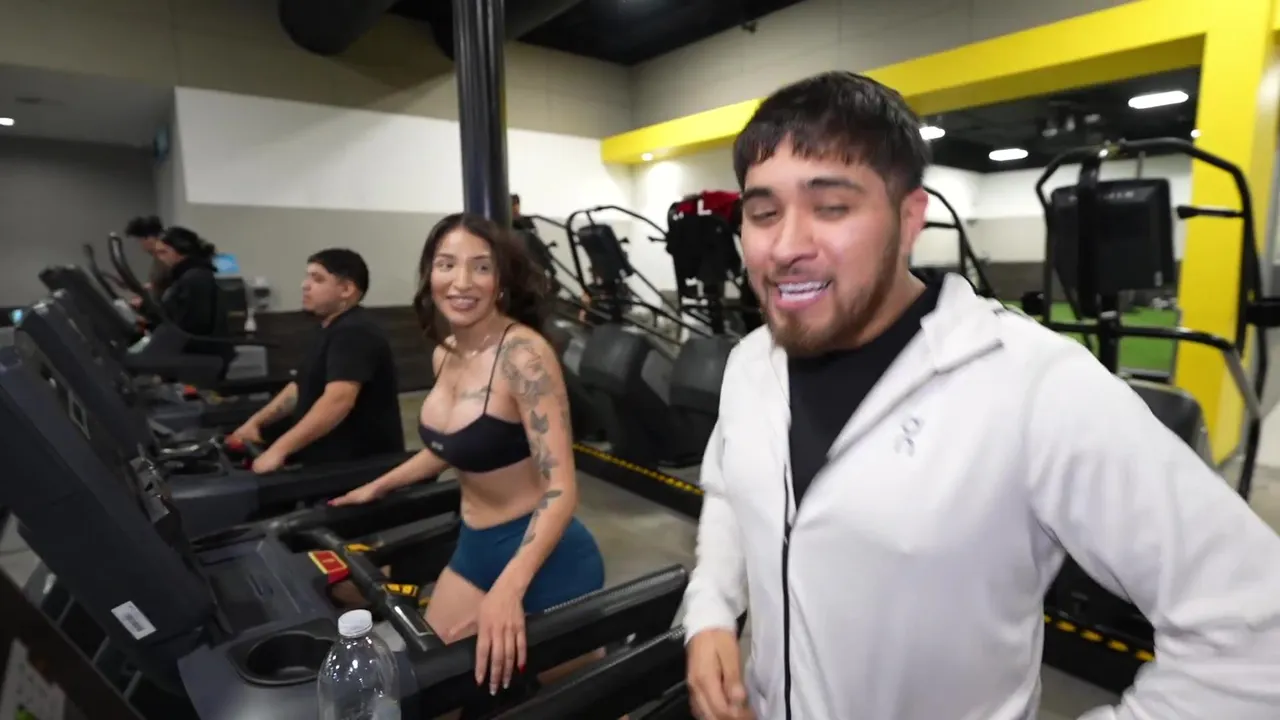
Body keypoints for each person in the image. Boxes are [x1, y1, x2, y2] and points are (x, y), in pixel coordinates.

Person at [683, 71, 1280, 720]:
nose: (786, 246)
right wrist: (712, 610)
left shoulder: (1035, 386)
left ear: (909, 218)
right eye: (764, 213)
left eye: (832, 207)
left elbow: (1258, 638)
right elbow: (729, 492)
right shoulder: (751, 363)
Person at [330, 213, 605, 695]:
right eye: (446, 264)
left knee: (583, 704)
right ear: (429, 274)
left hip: (545, 556)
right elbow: (450, 445)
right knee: (439, 692)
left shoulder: (523, 356)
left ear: (501, 281)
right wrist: (377, 486)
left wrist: (509, 589)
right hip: (475, 548)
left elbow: (561, 489)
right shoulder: (447, 352)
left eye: (481, 267)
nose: (461, 282)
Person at [229, 249, 404, 473]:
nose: (305, 285)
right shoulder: (329, 328)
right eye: (307, 277)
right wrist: (256, 422)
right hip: (322, 456)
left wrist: (279, 450)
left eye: (318, 279)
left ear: (346, 289)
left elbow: (338, 401)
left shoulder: (355, 332)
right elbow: (298, 388)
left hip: (356, 467)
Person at [150, 227, 231, 351]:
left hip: (201, 352)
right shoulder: (190, 276)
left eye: (163, 252)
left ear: (180, 252)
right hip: (196, 347)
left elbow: (192, 325)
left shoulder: (194, 279)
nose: (160, 258)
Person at [124, 214, 169, 310]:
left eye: (140, 241)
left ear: (149, 238)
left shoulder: (165, 258)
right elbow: (159, 283)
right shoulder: (159, 258)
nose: (141, 246)